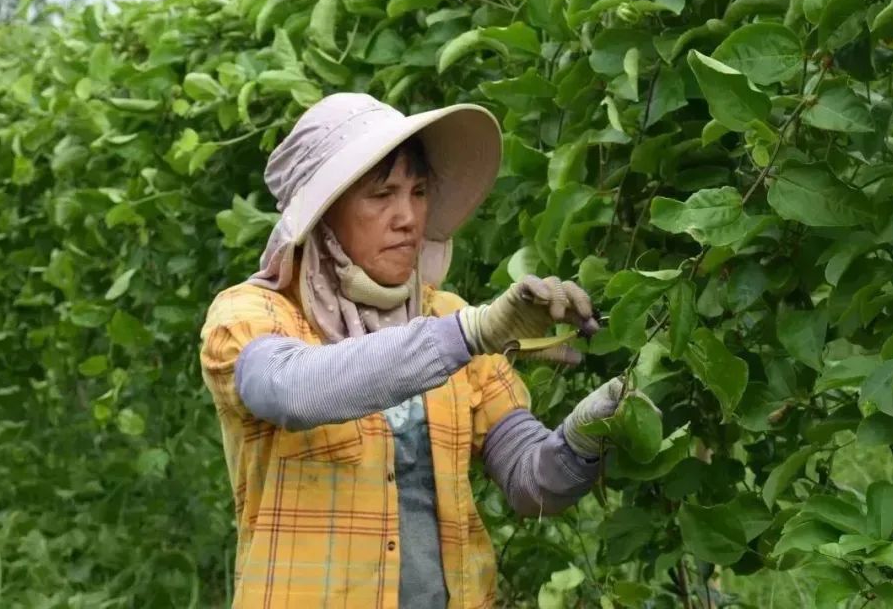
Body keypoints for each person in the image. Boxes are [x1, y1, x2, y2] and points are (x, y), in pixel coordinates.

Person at [199, 93, 643, 608]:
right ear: (324, 214)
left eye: (418, 191)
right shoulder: (254, 315)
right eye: (381, 194)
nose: (407, 216)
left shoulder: (447, 316)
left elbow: (529, 483)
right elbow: (290, 391)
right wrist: (471, 333)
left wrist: (581, 439)